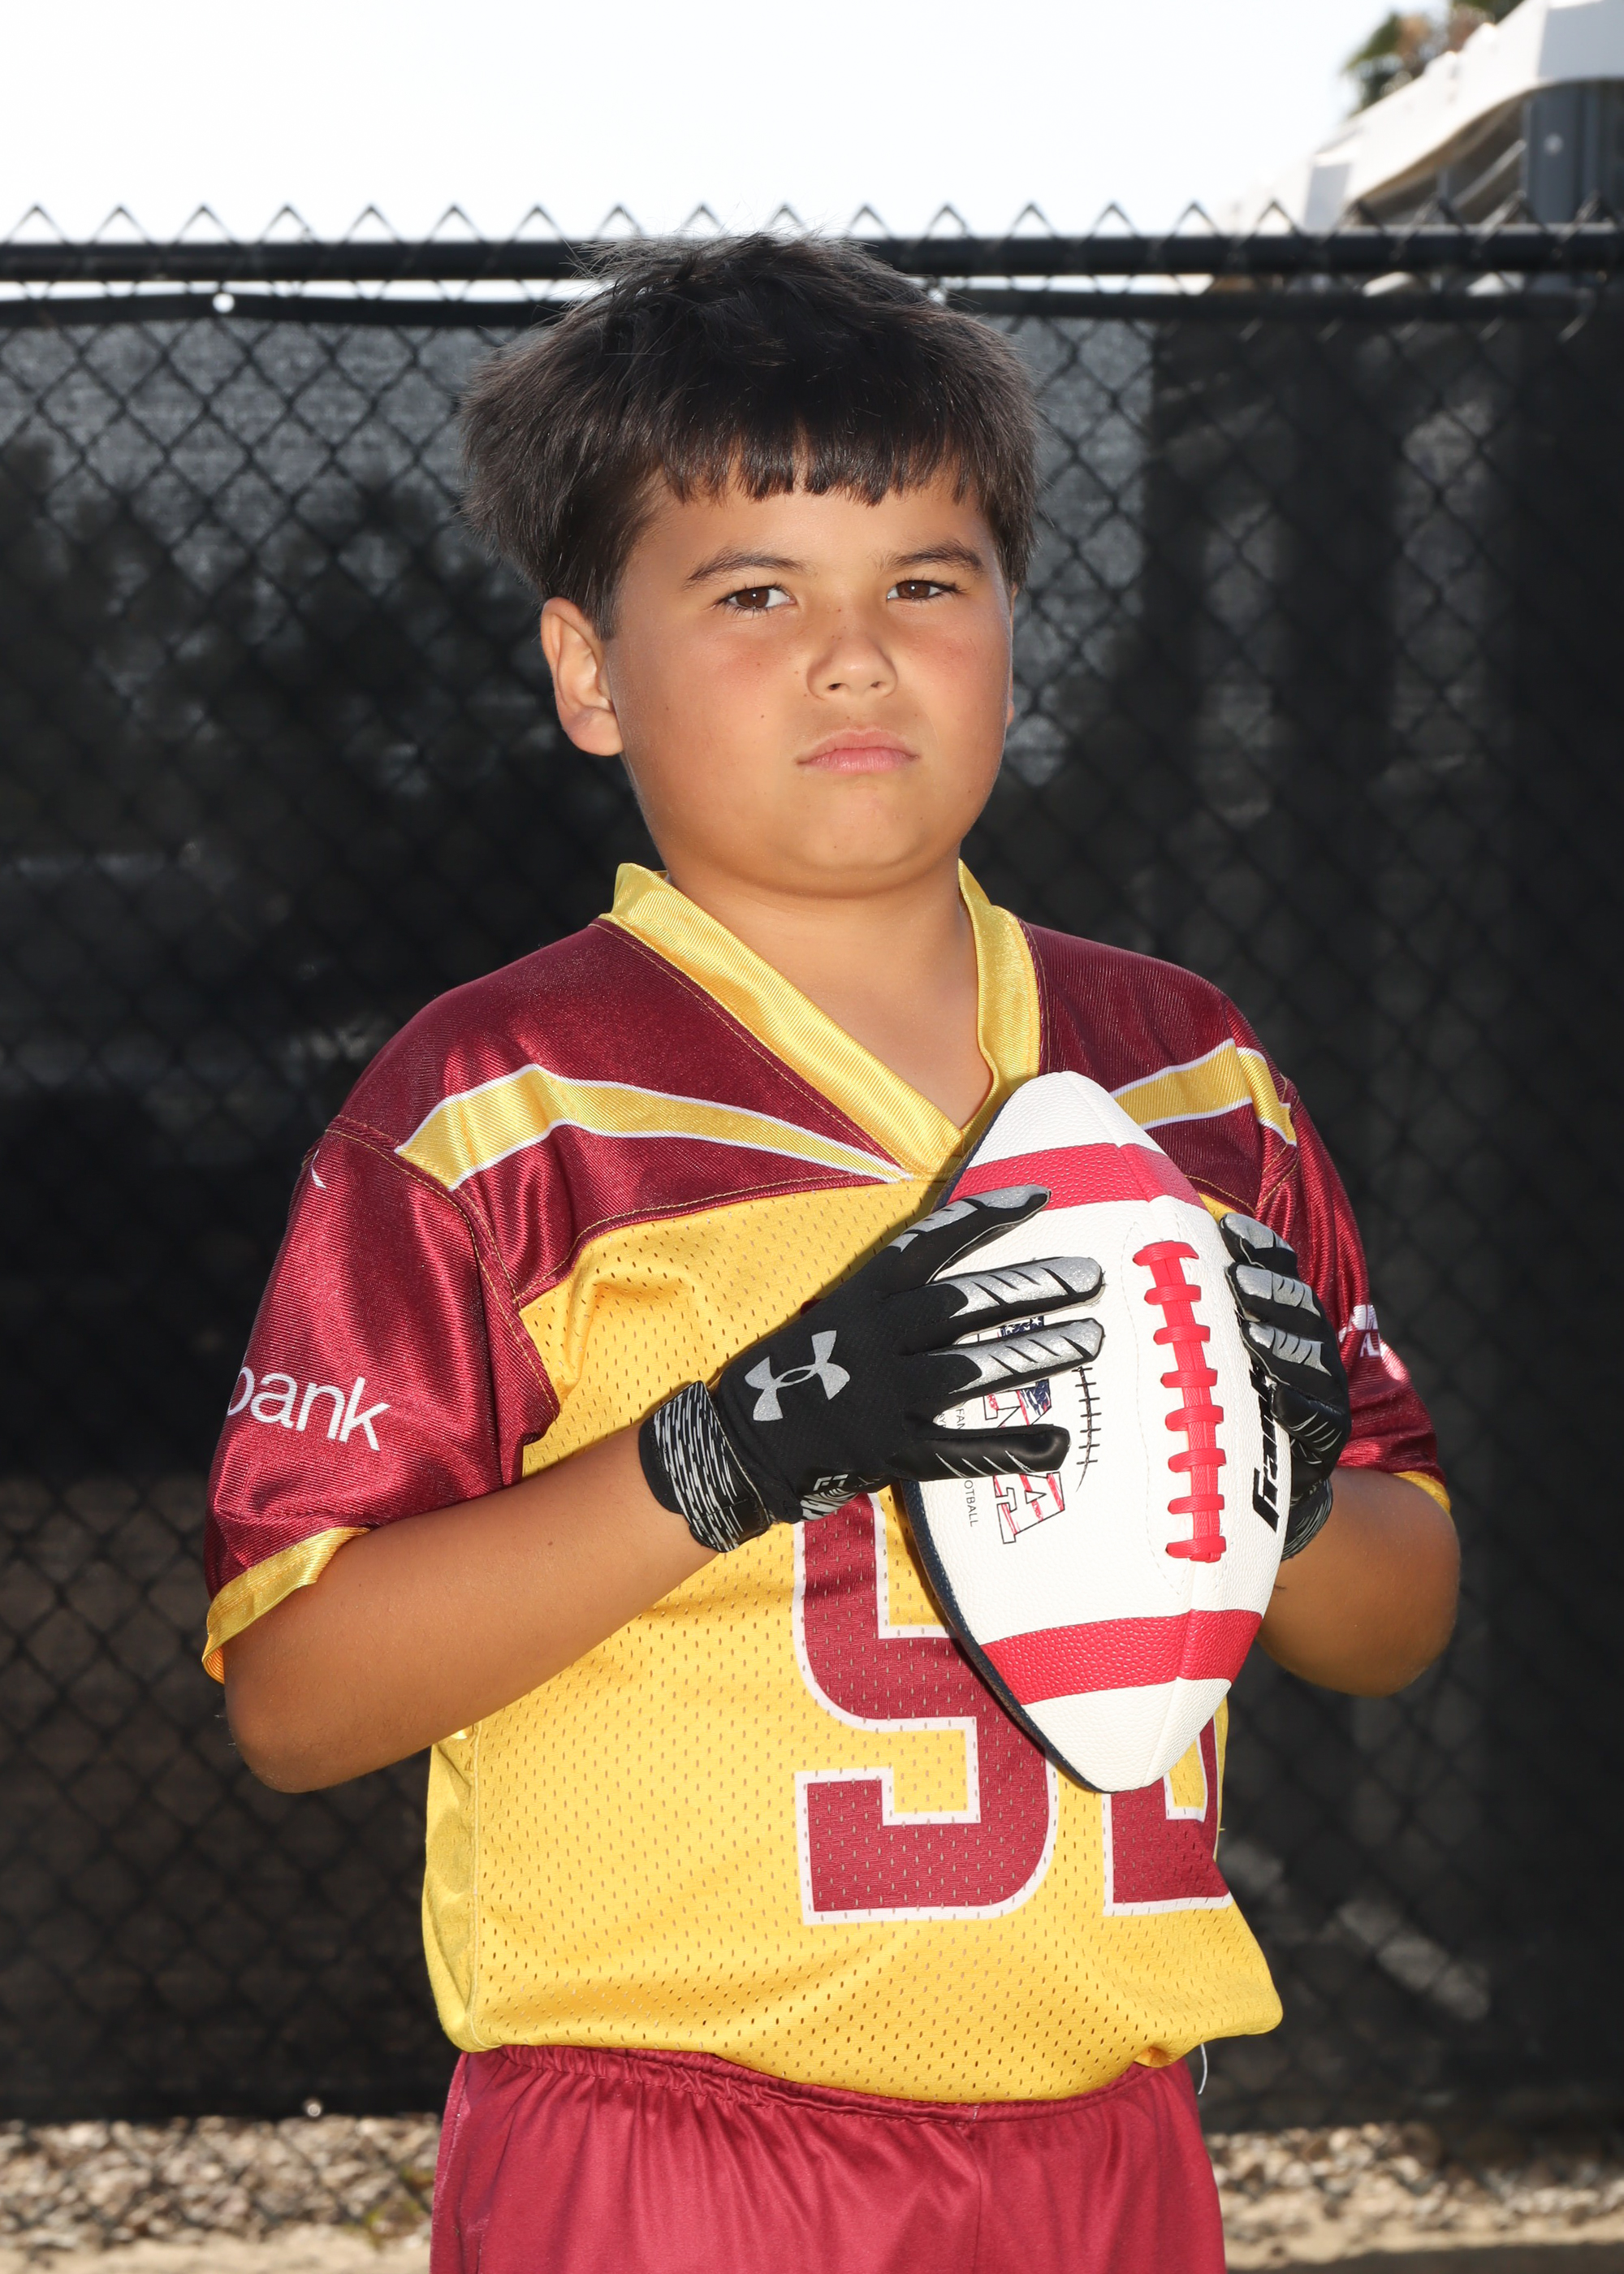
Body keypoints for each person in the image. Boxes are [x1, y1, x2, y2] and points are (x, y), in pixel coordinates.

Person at [205, 236, 1458, 2274]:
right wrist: (733, 1447)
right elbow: (297, 1692)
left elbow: (1394, 1614)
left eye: (925, 584)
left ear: (1014, 632)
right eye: (756, 592)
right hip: (668, 2150)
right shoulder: (500, 1103)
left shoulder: (1192, 1073)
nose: (856, 656)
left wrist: (1292, 1489)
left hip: (1106, 2141)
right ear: (588, 671)